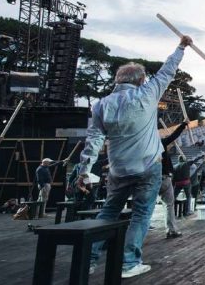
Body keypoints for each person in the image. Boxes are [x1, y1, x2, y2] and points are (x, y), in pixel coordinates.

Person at [78, 34, 193, 278]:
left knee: (108, 213)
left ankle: (88, 260)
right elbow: (167, 71)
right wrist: (181, 47)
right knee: (141, 214)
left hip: (118, 168)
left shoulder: (100, 105)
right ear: (141, 79)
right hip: (148, 165)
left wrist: (84, 171)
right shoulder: (147, 93)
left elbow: (94, 141)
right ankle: (129, 263)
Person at [159, 121, 188, 238]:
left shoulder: (143, 146)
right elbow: (173, 136)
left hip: (149, 178)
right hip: (164, 178)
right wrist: (183, 125)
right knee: (169, 205)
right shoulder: (160, 143)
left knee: (145, 209)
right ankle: (171, 230)